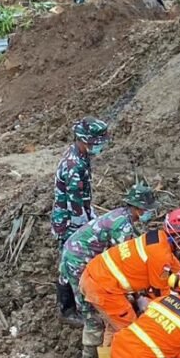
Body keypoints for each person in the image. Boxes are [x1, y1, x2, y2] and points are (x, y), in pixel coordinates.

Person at [59, 182, 156, 358]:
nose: (148, 214)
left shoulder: (121, 216)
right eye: (146, 210)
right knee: (90, 304)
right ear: (138, 209)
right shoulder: (123, 226)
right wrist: (138, 295)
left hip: (74, 250)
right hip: (79, 259)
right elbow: (125, 261)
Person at [79, 209, 180, 333]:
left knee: (114, 324)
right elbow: (159, 291)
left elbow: (173, 264)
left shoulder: (157, 237)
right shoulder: (160, 255)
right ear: (179, 237)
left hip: (95, 274)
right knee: (129, 330)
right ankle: (107, 346)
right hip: (103, 287)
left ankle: (105, 344)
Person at [51, 117, 109, 319]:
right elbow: (74, 203)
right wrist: (85, 227)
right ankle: (67, 309)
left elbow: (82, 198)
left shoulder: (81, 156)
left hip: (76, 213)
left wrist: (91, 214)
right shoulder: (73, 165)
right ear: (84, 140)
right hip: (68, 221)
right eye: (96, 143)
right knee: (70, 263)